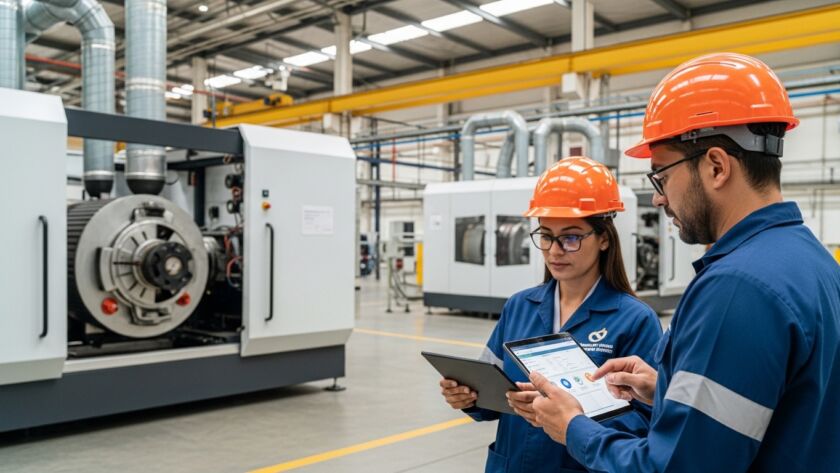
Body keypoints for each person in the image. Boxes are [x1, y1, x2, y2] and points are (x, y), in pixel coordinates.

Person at [528, 52, 840, 472]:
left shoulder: (736, 287)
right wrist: (667, 390)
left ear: (716, 167)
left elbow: (675, 467)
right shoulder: (813, 262)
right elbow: (780, 411)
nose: (659, 197)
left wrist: (575, 428)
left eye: (662, 176)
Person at [439, 157, 663, 472]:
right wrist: (469, 398)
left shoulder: (634, 319)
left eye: (570, 237)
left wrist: (574, 415)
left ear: (603, 239)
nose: (554, 250)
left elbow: (649, 419)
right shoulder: (519, 305)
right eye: (546, 236)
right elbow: (491, 390)